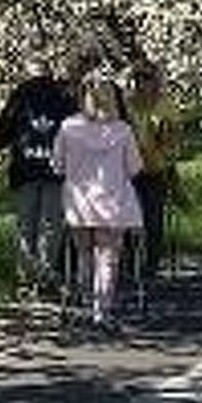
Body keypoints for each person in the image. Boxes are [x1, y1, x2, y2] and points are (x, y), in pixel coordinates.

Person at [54, 72, 144, 331]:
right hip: (112, 201)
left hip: (79, 202)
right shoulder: (122, 131)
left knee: (83, 254)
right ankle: (101, 310)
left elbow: (57, 165)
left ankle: (85, 299)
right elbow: (135, 167)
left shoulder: (68, 127)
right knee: (107, 257)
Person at [0, 53, 77, 295]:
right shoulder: (64, 96)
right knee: (52, 224)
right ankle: (47, 274)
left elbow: (0, 136)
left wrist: (2, 138)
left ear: (28, 73)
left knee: (26, 224)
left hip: (25, 170)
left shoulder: (19, 96)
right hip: (56, 170)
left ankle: (27, 276)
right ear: (48, 72)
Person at [125, 60, 181, 281]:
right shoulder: (127, 106)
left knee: (152, 219)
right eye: (137, 78)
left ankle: (151, 265)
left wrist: (165, 137)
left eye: (146, 78)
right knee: (130, 219)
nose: (140, 83)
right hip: (130, 171)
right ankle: (132, 262)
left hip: (155, 170)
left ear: (155, 81)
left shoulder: (165, 106)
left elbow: (174, 141)